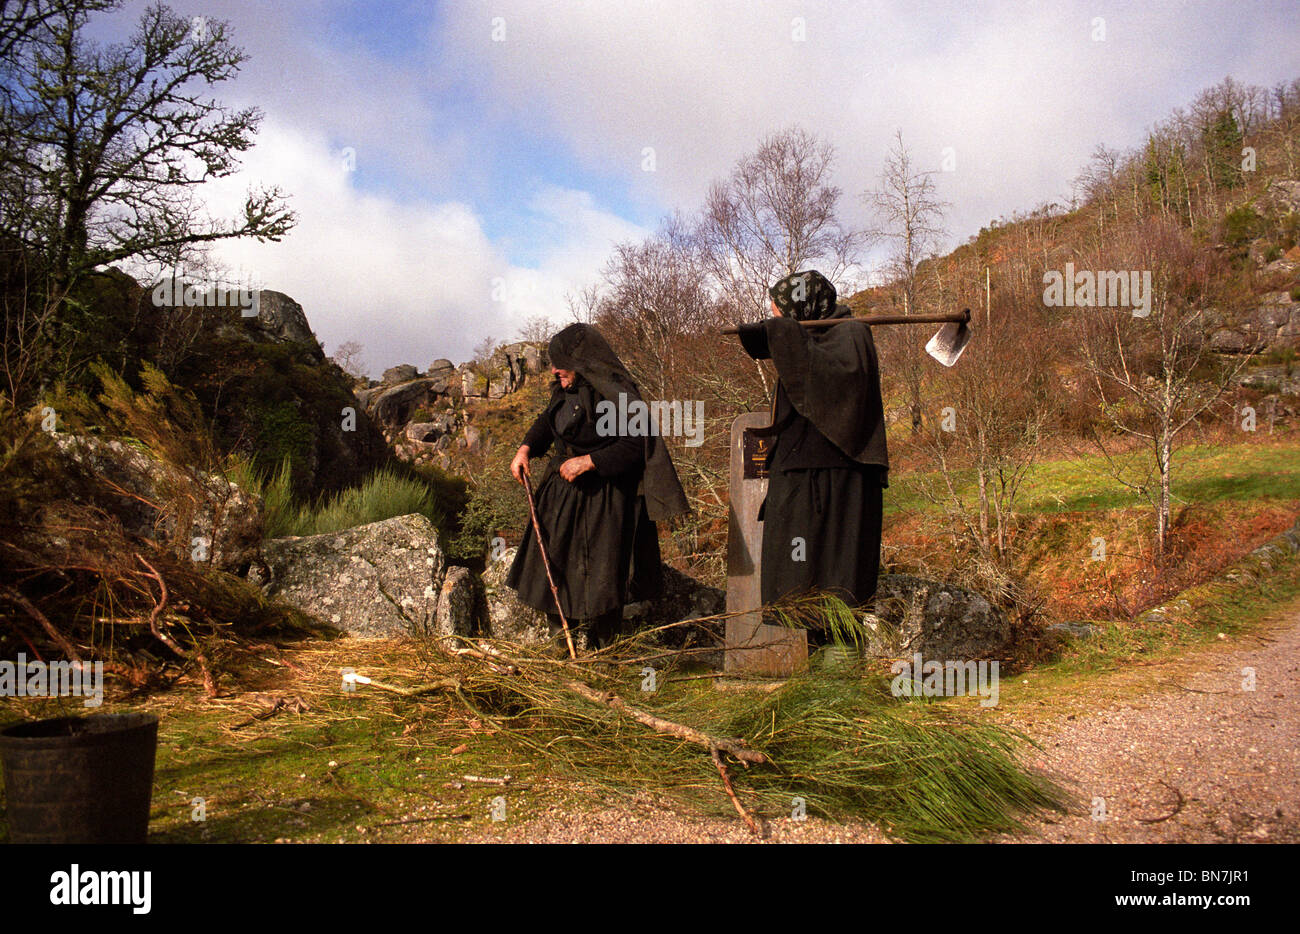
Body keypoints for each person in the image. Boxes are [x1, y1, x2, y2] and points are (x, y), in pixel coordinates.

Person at [506, 323, 689, 650]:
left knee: (600, 577)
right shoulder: (565, 387)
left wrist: (589, 462)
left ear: (580, 361)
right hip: (562, 495)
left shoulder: (614, 392)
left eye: (559, 362)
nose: (554, 370)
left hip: (604, 499)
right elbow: (548, 420)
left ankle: (606, 652)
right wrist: (525, 449)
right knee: (556, 566)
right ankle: (561, 645)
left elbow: (636, 445)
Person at [735, 270, 888, 643]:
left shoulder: (850, 337)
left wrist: (784, 331)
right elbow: (775, 346)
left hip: (841, 485)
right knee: (802, 589)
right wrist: (775, 331)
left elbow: (832, 385)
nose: (773, 317)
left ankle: (843, 688)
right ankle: (820, 691)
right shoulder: (807, 342)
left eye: (778, 310)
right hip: (800, 483)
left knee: (839, 589)